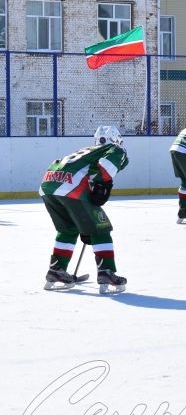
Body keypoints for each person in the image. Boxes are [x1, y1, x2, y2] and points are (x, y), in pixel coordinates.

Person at [40, 125, 129, 293]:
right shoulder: (114, 149)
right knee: (100, 229)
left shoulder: (88, 150)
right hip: (70, 187)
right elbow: (107, 166)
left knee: (67, 229)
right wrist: (105, 184)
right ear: (116, 139)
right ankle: (106, 272)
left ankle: (56, 270)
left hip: (48, 184)